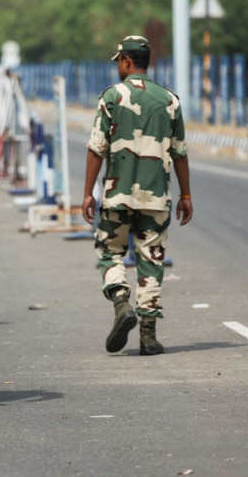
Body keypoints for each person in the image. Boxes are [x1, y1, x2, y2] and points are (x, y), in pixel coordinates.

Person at [81, 35, 193, 356]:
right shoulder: (170, 100)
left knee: (109, 251)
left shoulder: (112, 97)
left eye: (119, 60)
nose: (117, 66)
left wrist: (88, 193)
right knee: (151, 258)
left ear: (127, 61)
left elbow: (96, 148)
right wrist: (186, 195)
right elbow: (180, 153)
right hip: (156, 199)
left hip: (118, 195)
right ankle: (148, 335)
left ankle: (120, 302)